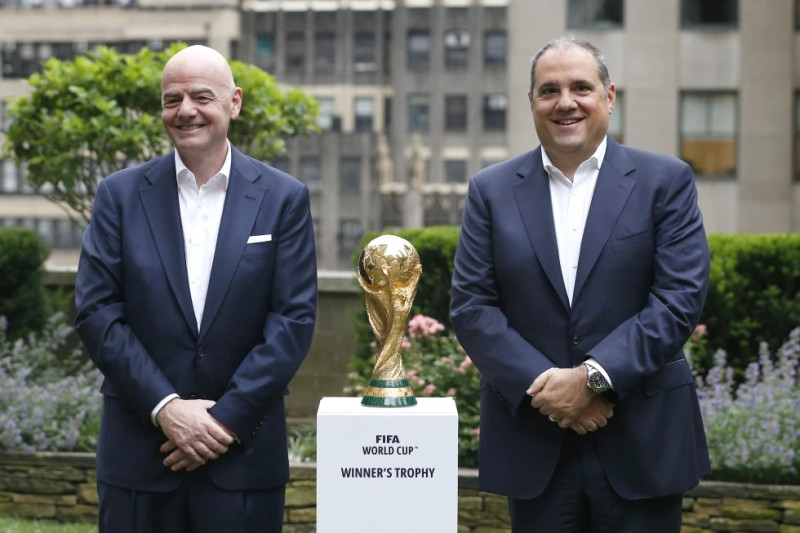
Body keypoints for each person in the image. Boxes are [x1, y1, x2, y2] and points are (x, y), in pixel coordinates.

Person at [450, 37, 710, 532]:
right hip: (536, 444)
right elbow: (472, 307)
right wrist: (552, 392)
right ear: (531, 102)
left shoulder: (665, 181)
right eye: (549, 90)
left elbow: (678, 300)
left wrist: (592, 379)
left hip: (641, 442)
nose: (564, 102)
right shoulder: (491, 190)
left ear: (609, 97)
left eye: (581, 88)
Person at [74, 45, 317, 533]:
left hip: (242, 457)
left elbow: (293, 321)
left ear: (234, 102)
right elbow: (97, 312)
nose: (185, 110)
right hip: (141, 454)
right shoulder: (118, 195)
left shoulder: (283, 197)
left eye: (202, 96)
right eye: (172, 99)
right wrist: (166, 408)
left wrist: (223, 421)